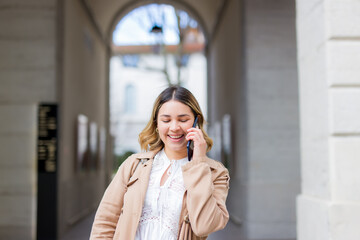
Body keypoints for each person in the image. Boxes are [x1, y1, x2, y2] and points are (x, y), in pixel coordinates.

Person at [90, 85, 230, 240]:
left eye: (183, 120)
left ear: (196, 122)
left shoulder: (215, 173)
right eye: (166, 120)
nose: (174, 127)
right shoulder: (133, 165)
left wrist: (198, 164)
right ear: (157, 124)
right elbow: (105, 221)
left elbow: (205, 226)